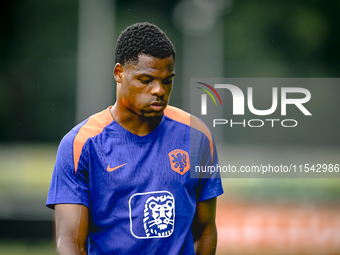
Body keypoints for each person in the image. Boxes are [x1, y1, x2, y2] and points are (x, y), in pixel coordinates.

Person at [46, 22, 223, 255]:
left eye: (167, 80)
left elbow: (205, 231)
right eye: (146, 80)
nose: (159, 90)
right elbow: (70, 244)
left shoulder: (197, 135)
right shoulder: (80, 144)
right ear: (119, 73)